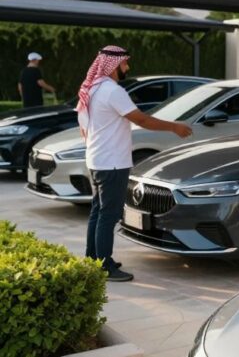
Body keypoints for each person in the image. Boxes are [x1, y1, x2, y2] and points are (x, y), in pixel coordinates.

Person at [78, 46, 192, 282]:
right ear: (113, 65)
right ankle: (104, 265)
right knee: (108, 215)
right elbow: (141, 119)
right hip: (111, 163)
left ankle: (93, 258)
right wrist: (174, 127)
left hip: (97, 159)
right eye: (125, 63)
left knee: (98, 212)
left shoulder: (94, 87)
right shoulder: (112, 90)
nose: (127, 67)